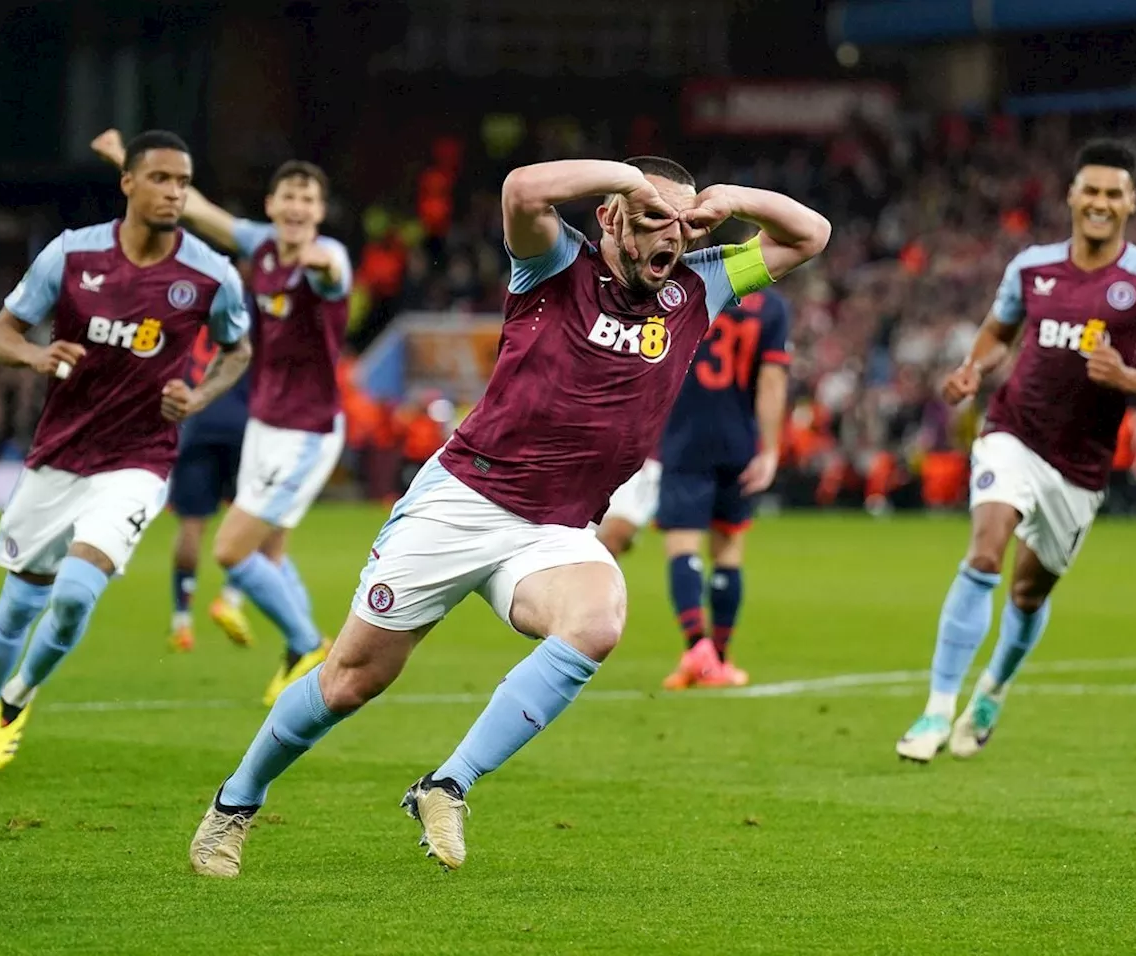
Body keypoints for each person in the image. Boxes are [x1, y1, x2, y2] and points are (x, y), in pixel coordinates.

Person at [186, 156, 829, 876]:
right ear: (611, 216)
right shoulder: (554, 262)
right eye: (652, 218)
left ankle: (447, 784)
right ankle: (233, 808)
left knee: (597, 620)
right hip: (464, 502)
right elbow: (522, 188)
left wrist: (730, 199)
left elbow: (809, 235)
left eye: (682, 225)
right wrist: (624, 176)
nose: (671, 237)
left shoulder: (698, 284)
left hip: (555, 529)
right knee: (349, 681)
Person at [0, 130, 251, 782]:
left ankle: (17, 699)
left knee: (78, 593)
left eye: (183, 182)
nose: (174, 192)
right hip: (58, 456)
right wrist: (35, 355)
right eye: (161, 178)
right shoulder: (72, 254)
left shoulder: (209, 273)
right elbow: (1, 334)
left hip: (138, 462)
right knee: (19, 604)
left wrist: (198, 395)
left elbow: (238, 351)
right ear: (128, 183)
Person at [896, 140, 1136, 763]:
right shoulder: (1032, 268)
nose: (1101, 203)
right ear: (1072, 196)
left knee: (1029, 594)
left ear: (1131, 201)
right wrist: (974, 367)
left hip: (1081, 466)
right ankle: (936, 711)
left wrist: (1129, 379)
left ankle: (992, 689)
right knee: (985, 549)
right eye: (1092, 190)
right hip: (1013, 431)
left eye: (1114, 193)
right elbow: (1000, 330)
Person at [92, 131, 352, 704]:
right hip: (263, 422)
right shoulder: (260, 245)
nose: (297, 208)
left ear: (320, 212)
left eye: (308, 200)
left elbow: (333, 273)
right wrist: (122, 160)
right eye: (289, 196)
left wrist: (321, 262)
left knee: (233, 551)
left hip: (308, 433)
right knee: (271, 552)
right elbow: (200, 210)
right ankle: (303, 659)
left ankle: (310, 644)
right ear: (271, 205)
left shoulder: (327, 258)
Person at [657, 287, 791, 689]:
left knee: (683, 546)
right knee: (728, 551)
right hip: (738, 437)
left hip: (682, 432)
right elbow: (771, 380)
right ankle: (719, 656)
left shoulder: (682, 288)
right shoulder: (770, 306)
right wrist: (769, 449)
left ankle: (698, 650)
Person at [164, 325, 253, 652]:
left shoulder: (188, 301)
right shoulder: (247, 305)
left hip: (196, 422)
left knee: (191, 525)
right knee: (255, 516)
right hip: (243, 421)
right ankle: (230, 598)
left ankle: (182, 623)